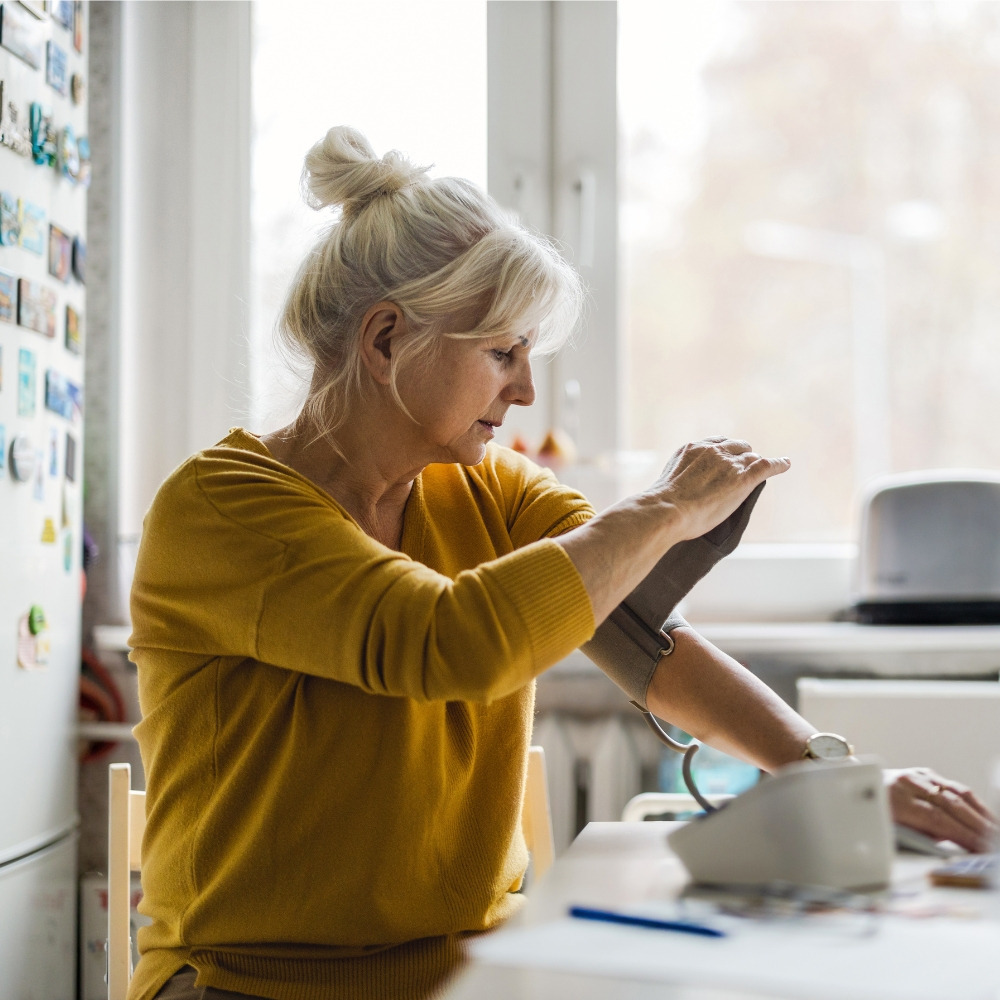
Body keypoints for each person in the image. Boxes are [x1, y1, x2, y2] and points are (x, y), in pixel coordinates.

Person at [131, 127, 995, 1000]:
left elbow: (632, 626)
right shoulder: (224, 510)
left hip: (471, 971)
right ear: (386, 339)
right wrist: (661, 509)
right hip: (250, 984)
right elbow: (446, 644)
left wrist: (834, 778)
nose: (525, 392)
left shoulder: (489, 492)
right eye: (502, 353)